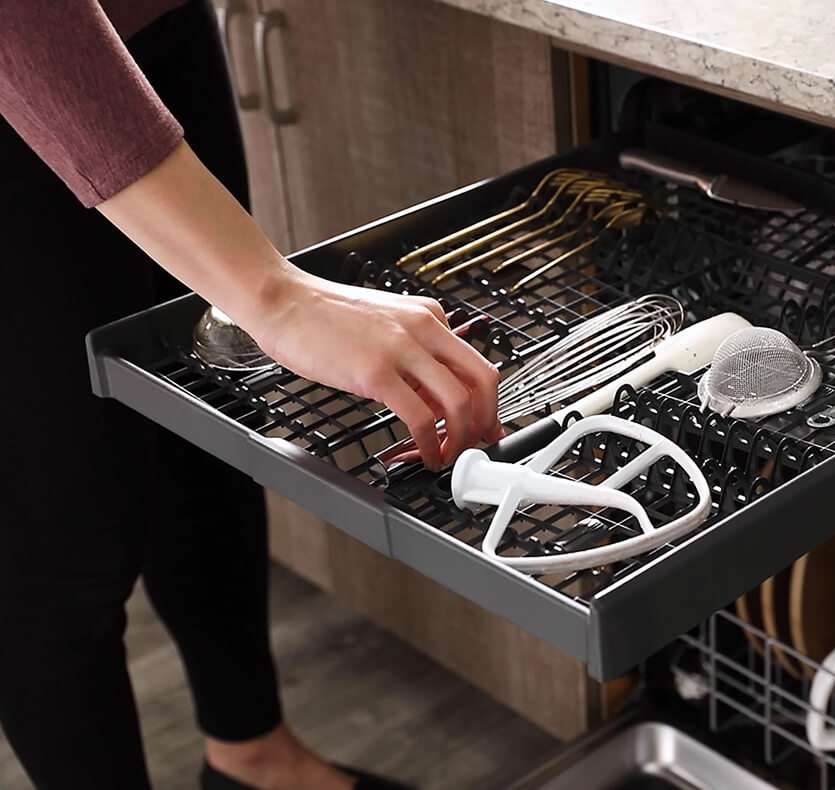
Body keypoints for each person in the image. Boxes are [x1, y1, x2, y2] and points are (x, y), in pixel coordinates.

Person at [0, 1, 503, 788]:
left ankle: (256, 764)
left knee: (204, 437)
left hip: (145, 17)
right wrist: (275, 295)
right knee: (63, 547)